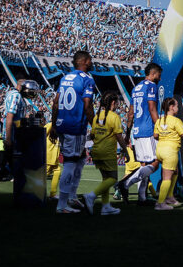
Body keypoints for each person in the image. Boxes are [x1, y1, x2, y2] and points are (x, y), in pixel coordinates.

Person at [49, 51, 95, 214]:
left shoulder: (65, 78)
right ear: (84, 62)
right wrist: (95, 125)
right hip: (75, 126)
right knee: (70, 161)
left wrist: (54, 125)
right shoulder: (87, 79)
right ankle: (62, 204)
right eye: (90, 60)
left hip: (62, 124)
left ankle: (72, 196)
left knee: (81, 158)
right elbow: (87, 105)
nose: (92, 62)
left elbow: (55, 103)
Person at [119, 63, 162, 205]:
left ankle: (142, 197)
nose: (160, 77)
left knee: (144, 164)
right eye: (159, 74)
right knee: (155, 162)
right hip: (147, 129)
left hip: (136, 131)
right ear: (154, 74)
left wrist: (128, 133)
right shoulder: (151, 86)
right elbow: (152, 108)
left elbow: (130, 112)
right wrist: (160, 127)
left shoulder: (136, 88)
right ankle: (125, 184)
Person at [84, 92, 130, 215]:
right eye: (117, 103)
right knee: (113, 178)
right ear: (113, 103)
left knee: (105, 179)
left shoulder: (96, 116)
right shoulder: (114, 117)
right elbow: (119, 137)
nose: (118, 105)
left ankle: (105, 207)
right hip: (108, 152)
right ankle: (91, 196)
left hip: (96, 151)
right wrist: (126, 151)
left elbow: (93, 134)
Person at [153, 98, 183, 210]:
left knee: (175, 171)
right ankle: (160, 203)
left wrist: (165, 136)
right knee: (167, 178)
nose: (178, 107)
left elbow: (155, 136)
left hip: (160, 149)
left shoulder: (159, 120)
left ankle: (170, 196)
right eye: (176, 105)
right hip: (170, 151)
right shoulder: (176, 121)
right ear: (171, 107)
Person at [44, 121, 61, 200]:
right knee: (43, 176)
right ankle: (32, 193)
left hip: (54, 156)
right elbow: (42, 136)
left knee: (57, 171)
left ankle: (53, 194)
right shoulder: (50, 125)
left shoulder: (61, 125)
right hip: (48, 155)